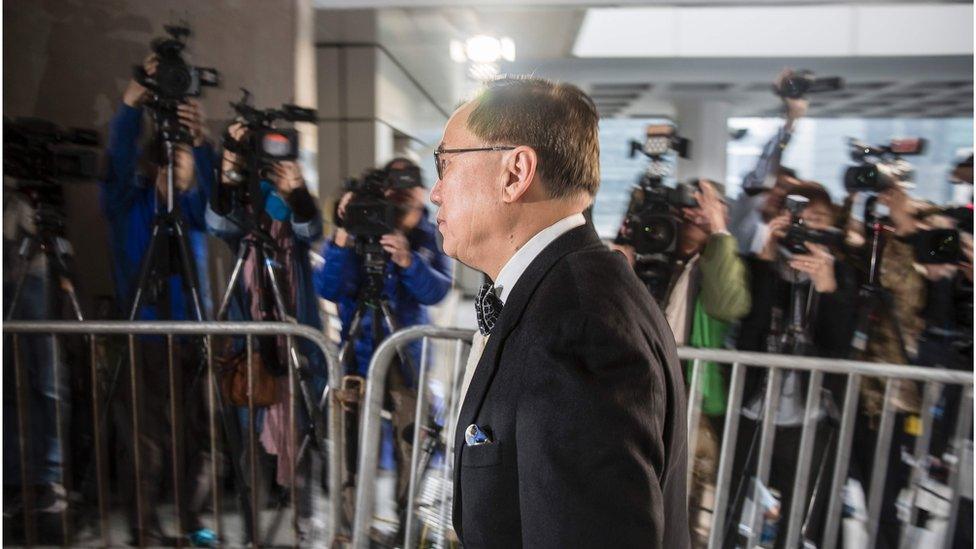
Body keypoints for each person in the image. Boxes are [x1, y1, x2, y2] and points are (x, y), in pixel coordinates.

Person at [431, 76, 688, 548]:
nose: (436, 191)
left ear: (515, 172)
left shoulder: (576, 327)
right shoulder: (568, 289)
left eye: (445, 163)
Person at [100, 53, 216, 546]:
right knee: (143, 441)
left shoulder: (192, 210)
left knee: (195, 437)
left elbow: (217, 198)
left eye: (181, 161)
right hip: (141, 330)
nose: (176, 167)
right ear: (150, 165)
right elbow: (117, 164)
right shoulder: (128, 203)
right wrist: (131, 103)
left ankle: (193, 523)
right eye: (167, 161)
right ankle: (144, 529)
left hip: (190, 330)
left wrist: (203, 142)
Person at [315, 157, 451, 531]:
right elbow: (328, 287)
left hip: (406, 354)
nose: (403, 200)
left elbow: (437, 291)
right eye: (396, 191)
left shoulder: (427, 232)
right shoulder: (355, 225)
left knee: (413, 434)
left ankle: (407, 521)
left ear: (422, 193)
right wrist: (343, 231)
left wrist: (409, 260)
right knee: (350, 438)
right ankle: (349, 528)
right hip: (356, 351)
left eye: (411, 192)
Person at [206, 122, 326, 541]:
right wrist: (229, 166)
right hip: (251, 346)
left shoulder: (294, 216)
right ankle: (251, 526)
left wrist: (297, 193)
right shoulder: (245, 210)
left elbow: (312, 230)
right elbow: (218, 222)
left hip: (299, 340)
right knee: (248, 439)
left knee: (305, 430)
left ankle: (304, 522)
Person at [728, 181, 857, 549]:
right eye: (798, 217)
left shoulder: (840, 274)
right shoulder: (759, 266)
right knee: (731, 501)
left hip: (806, 416)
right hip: (753, 407)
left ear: (831, 225)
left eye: (816, 218)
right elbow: (748, 336)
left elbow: (837, 348)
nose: (806, 227)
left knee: (800, 518)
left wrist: (828, 287)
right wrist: (767, 259)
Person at [729, 68, 808, 256]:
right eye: (777, 185)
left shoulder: (789, 235)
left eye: (786, 191)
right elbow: (769, 160)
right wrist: (791, 122)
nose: (779, 192)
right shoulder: (745, 209)